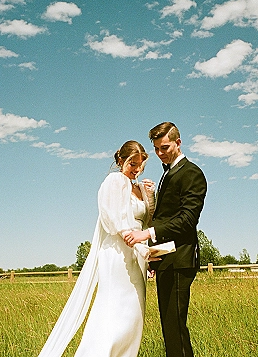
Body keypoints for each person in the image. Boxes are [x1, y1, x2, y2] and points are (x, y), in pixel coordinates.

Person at [38, 140, 156, 357]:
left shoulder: (138, 187)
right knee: (113, 315)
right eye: (132, 164)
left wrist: (150, 197)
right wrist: (140, 248)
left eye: (141, 164)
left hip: (139, 256)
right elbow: (115, 220)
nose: (137, 169)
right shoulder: (114, 181)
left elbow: (147, 222)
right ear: (121, 160)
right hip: (119, 255)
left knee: (133, 317)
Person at [124, 122, 207, 357]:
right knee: (170, 328)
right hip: (165, 260)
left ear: (178, 143)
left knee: (175, 328)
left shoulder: (191, 173)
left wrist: (147, 234)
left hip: (180, 260)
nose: (160, 153)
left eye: (165, 147)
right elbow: (165, 214)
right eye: (157, 149)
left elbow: (186, 220)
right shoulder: (168, 173)